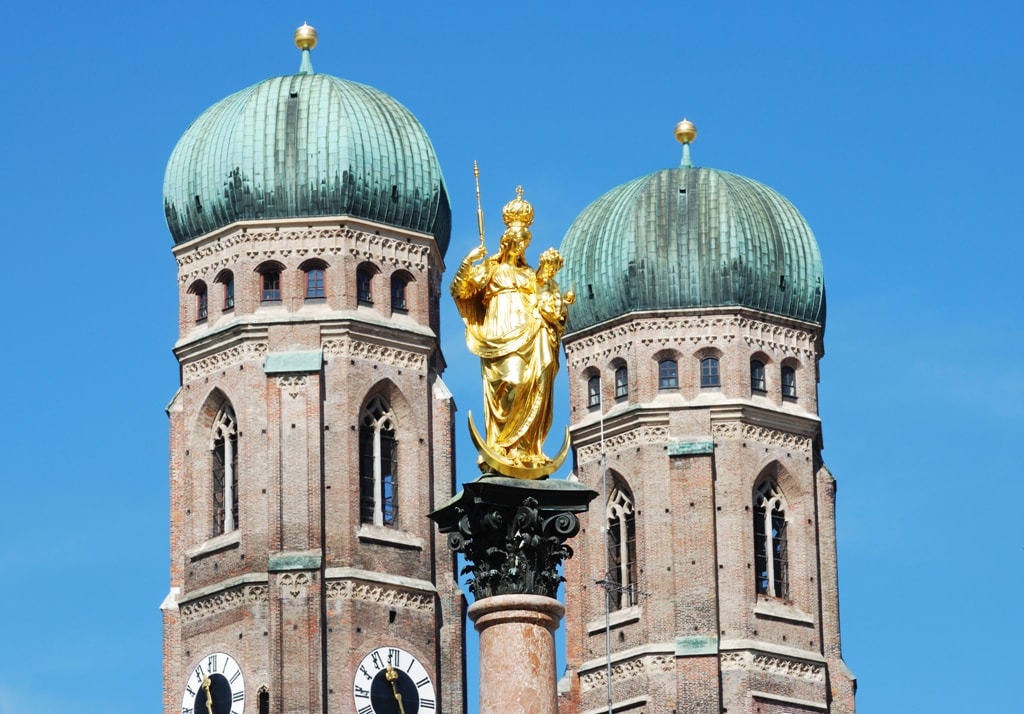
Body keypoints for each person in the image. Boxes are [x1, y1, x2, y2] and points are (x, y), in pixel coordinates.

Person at [450, 188, 572, 476]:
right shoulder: (490, 271)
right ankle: (503, 444)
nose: (520, 248)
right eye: (516, 242)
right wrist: (468, 261)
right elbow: (461, 290)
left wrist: (556, 310)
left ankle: (527, 449)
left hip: (531, 334)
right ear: (506, 243)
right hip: (500, 332)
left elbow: (549, 301)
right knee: (513, 380)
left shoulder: (531, 275)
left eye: (524, 243)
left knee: (537, 378)